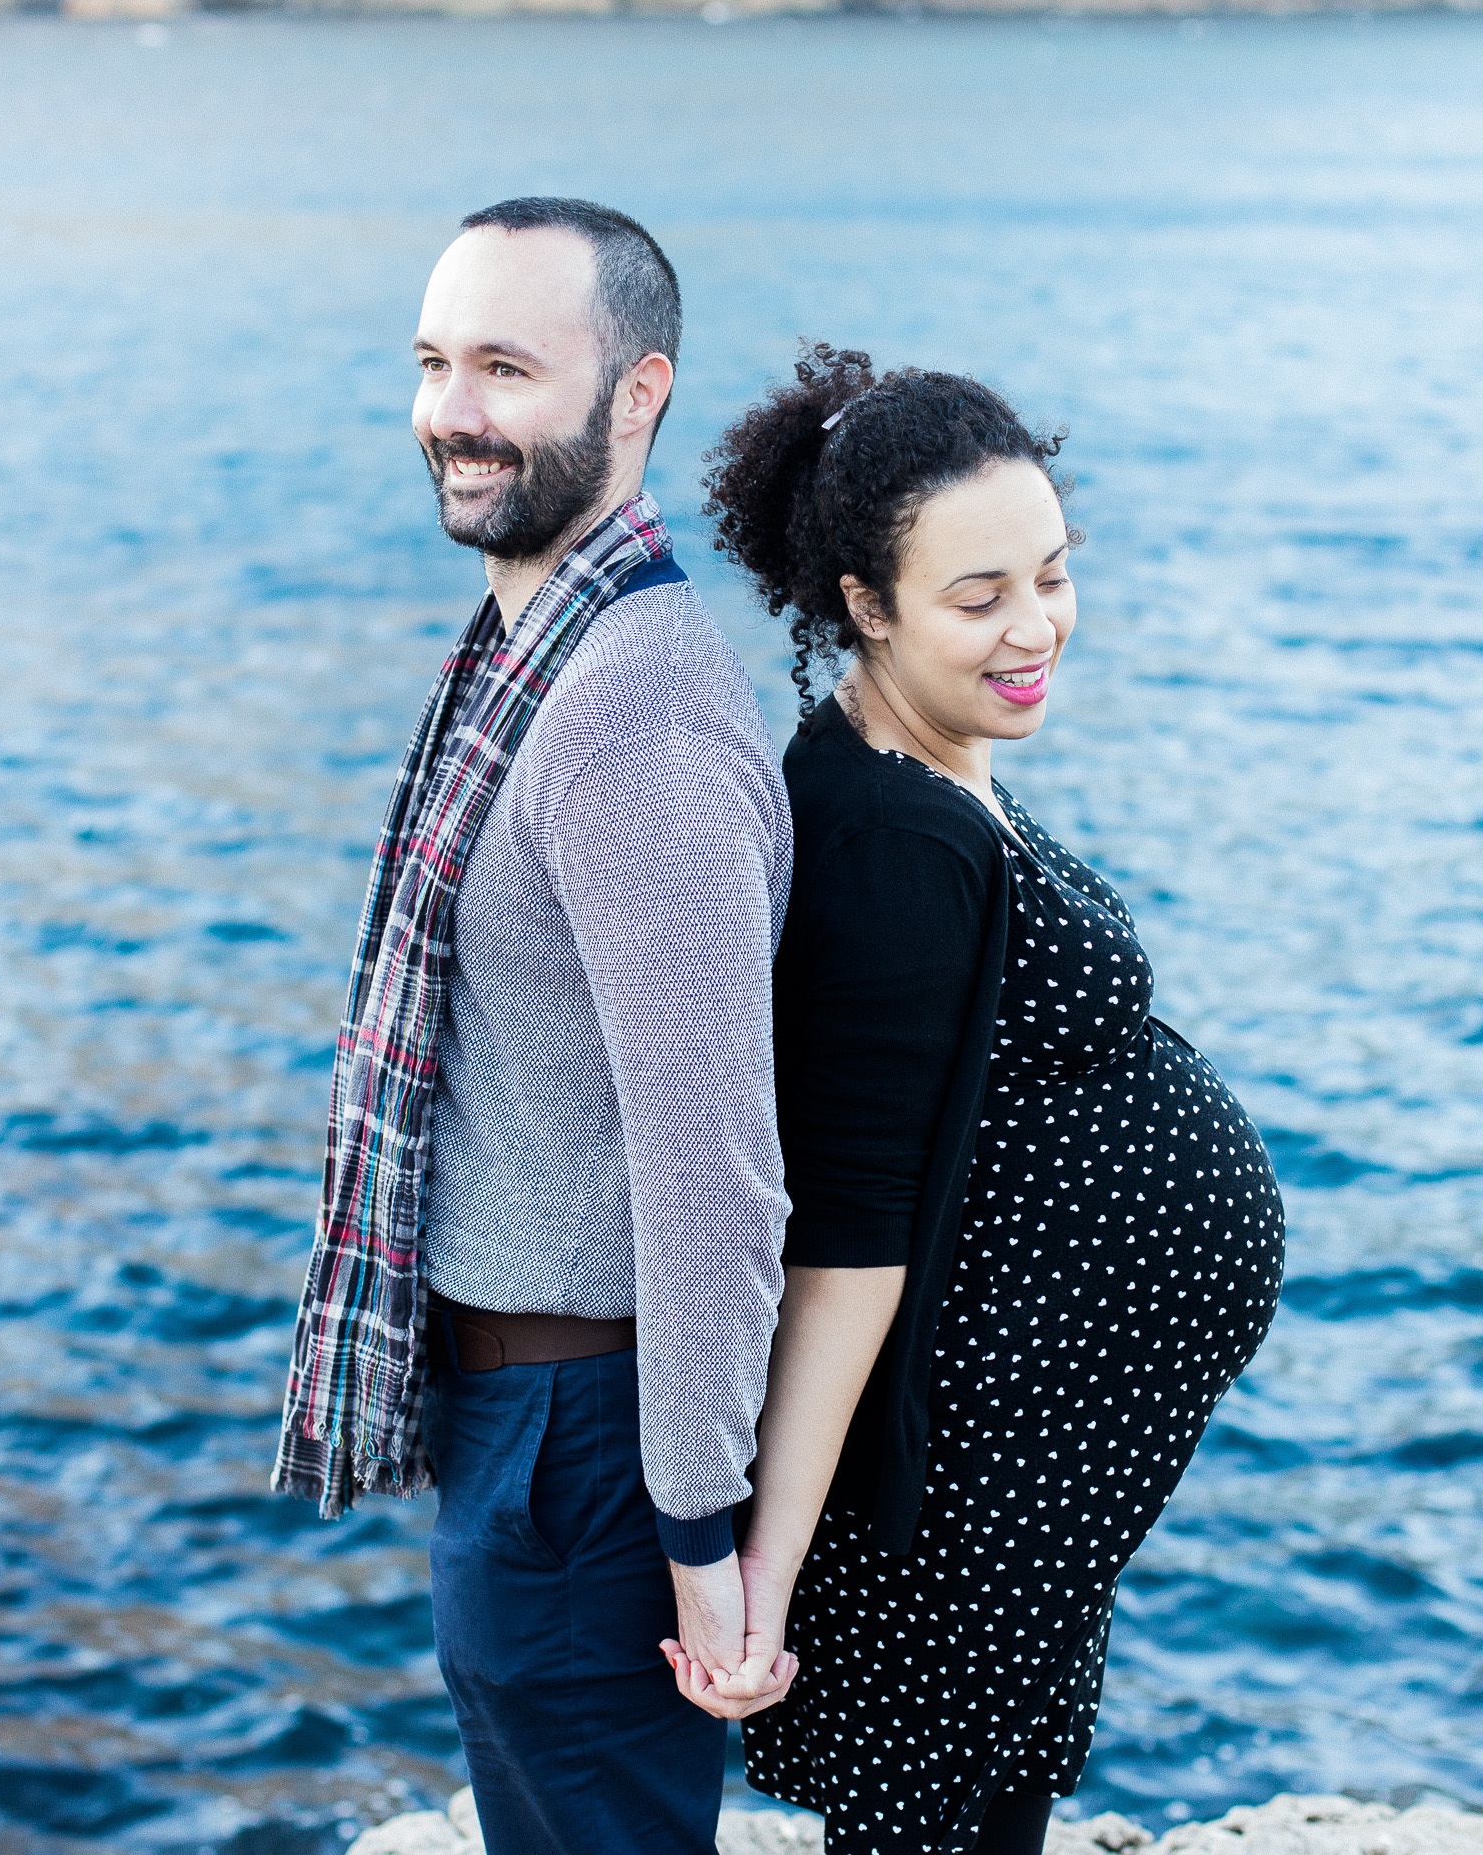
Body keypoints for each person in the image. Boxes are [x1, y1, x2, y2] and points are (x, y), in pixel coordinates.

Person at [671, 345, 1286, 1853]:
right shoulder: (888, 841)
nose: (1038, 629)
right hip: (955, 1509)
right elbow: (846, 1239)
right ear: (864, 607)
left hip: (1015, 1480)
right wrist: (766, 1565)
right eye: (980, 596)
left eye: (1054, 574)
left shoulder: (920, 763)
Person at [275, 200, 794, 1855]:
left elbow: (715, 1172)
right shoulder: (525, 661)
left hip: (592, 1461)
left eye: (507, 365)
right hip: (525, 1430)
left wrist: (704, 1543)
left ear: (637, 397)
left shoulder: (630, 712)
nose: (454, 411)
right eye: (434, 363)